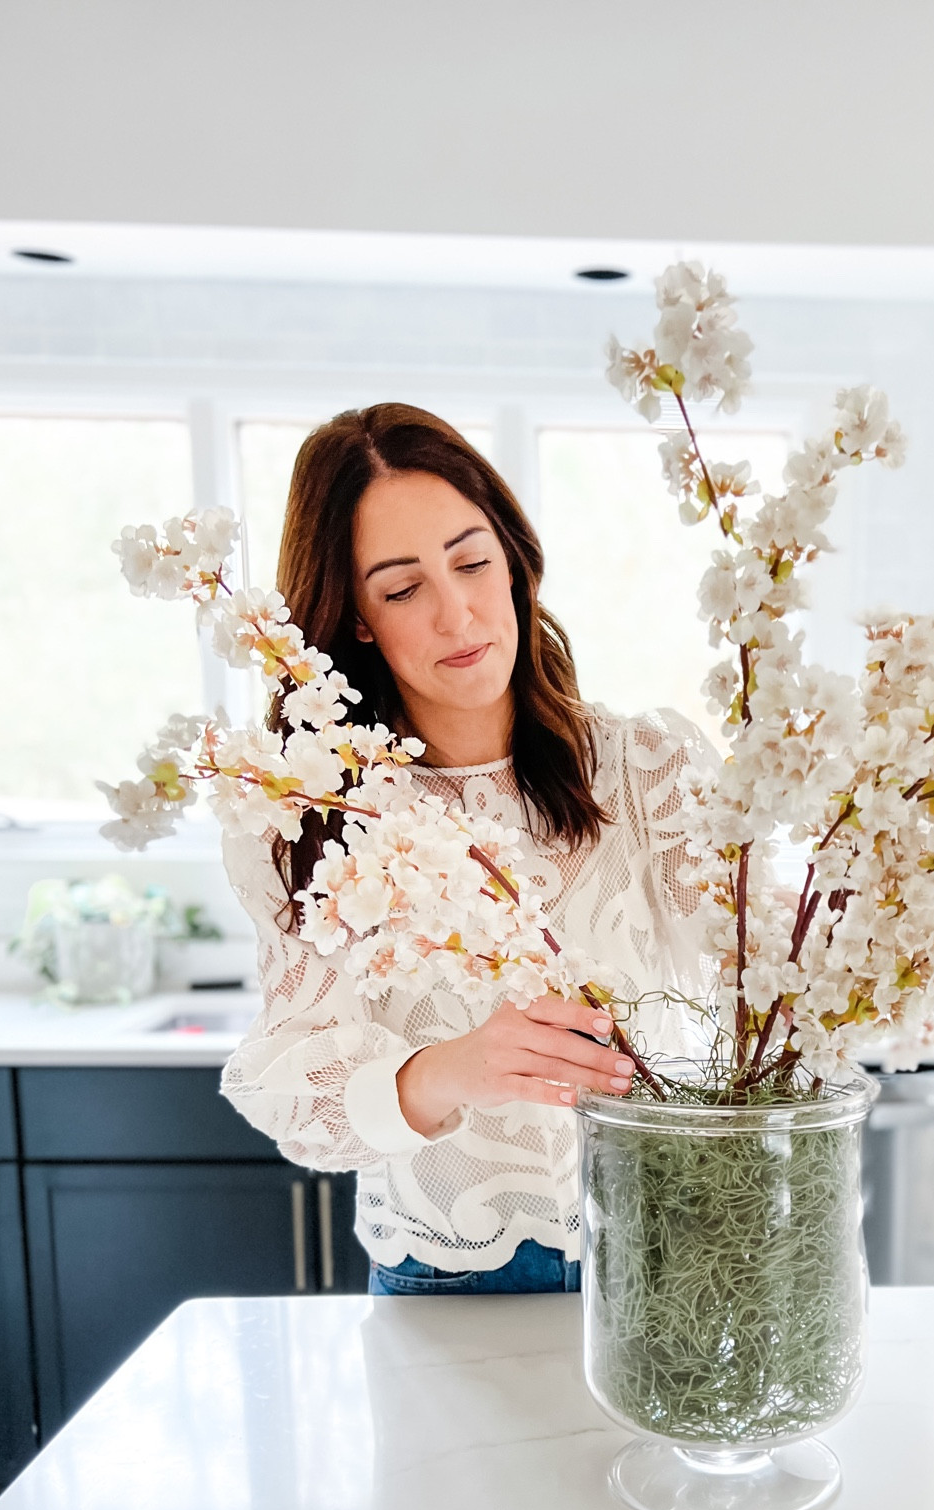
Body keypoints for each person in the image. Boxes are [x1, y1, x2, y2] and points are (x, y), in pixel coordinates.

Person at [220, 403, 713, 1296]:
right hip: (452, 1272)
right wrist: (452, 1070)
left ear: (513, 560)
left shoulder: (648, 769)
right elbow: (292, 1093)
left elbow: (756, 978)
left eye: (472, 562)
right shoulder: (309, 818)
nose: (458, 614)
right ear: (357, 618)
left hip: (672, 1251)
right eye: (402, 589)